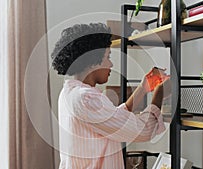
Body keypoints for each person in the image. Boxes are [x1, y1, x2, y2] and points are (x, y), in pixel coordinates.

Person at [51, 23, 169, 169]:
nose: (111, 64)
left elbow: (112, 120)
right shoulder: (87, 98)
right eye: (107, 57)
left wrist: (143, 88)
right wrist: (160, 89)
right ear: (92, 62)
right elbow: (143, 131)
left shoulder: (69, 92)